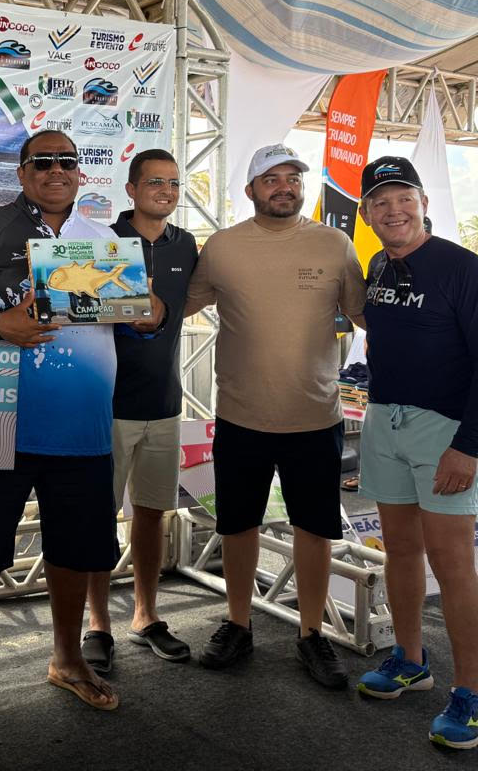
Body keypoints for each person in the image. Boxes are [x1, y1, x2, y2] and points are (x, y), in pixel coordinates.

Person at [0, 129, 164, 724]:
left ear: (81, 173)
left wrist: (150, 313)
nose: (57, 171)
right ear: (22, 171)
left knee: (75, 551)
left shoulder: (104, 240)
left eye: (68, 162)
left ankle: (66, 658)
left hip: (81, 428)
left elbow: (139, 316)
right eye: (43, 162)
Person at [184, 143, 366, 688]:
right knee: (238, 525)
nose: (283, 186)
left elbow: (365, 313)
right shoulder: (221, 247)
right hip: (241, 417)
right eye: (271, 178)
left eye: (292, 177)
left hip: (316, 416)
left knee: (315, 529)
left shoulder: (334, 244)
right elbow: (174, 306)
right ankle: (238, 624)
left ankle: (312, 634)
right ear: (251, 190)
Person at [353, 156, 478, 750]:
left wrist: (466, 446)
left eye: (404, 198)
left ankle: (472, 694)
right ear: (367, 213)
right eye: (381, 201)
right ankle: (410, 660)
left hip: (443, 430)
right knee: (399, 551)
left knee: (452, 562)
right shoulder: (376, 266)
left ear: (422, 203)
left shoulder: (462, 267)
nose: (394, 210)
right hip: (383, 421)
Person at [82, 149, 198, 672]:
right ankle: (97, 623)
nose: (166, 192)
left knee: (151, 515)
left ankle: (146, 616)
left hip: (164, 406)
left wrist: (163, 310)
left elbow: (180, 306)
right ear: (130, 188)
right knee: (96, 519)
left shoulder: (187, 245)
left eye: (173, 183)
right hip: (107, 406)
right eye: (155, 182)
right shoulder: (99, 243)